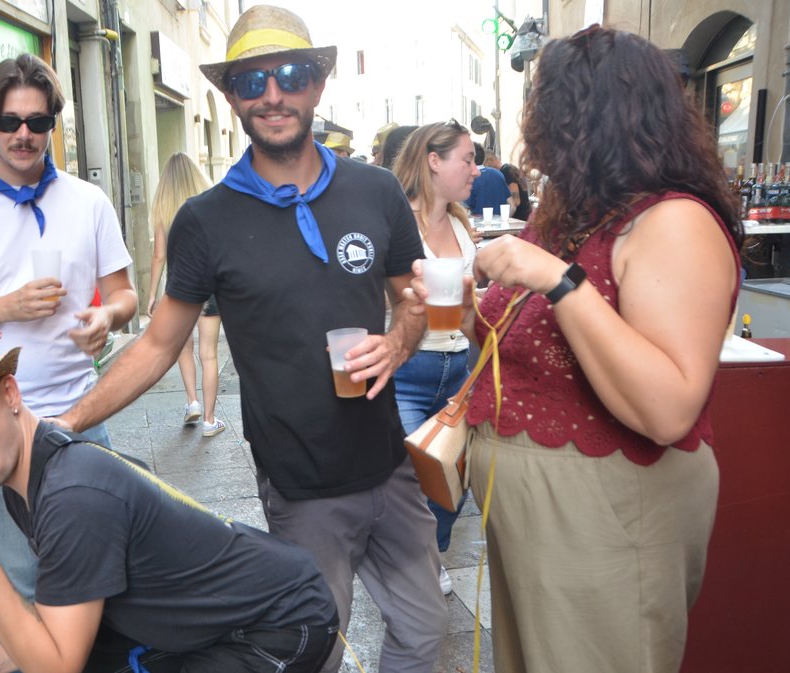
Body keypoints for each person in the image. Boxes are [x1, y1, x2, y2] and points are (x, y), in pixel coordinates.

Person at [59, 6, 447, 672]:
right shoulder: (204, 221)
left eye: (291, 74)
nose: (273, 94)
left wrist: (401, 341)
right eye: (252, 81)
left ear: (318, 85)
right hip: (301, 488)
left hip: (390, 465)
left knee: (426, 630)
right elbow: (156, 345)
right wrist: (67, 421)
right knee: (314, 649)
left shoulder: (377, 190)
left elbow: (412, 301)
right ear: (231, 95)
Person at [406, 25, 743, 672]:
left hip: (608, 516)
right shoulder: (575, 213)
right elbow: (537, 347)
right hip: (537, 516)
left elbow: (669, 406)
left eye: (547, 109)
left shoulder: (674, 221)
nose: (535, 136)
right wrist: (458, 309)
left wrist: (557, 280)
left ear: (591, 117)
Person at [0, 318, 339, 673]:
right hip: (212, 614)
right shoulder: (29, 470)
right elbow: (65, 608)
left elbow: (58, 666)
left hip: (277, 623)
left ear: (10, 393)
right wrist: (4, 656)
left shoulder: (71, 493)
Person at [0, 53, 137, 601]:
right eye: (10, 121)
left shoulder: (87, 201)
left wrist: (106, 316)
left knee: (106, 578)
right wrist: (2, 308)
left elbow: (126, 294)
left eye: (38, 122)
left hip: (81, 420)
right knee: (25, 586)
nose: (24, 134)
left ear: (51, 126)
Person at [390, 121, 480, 596]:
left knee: (453, 480)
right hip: (410, 370)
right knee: (412, 481)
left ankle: (434, 555)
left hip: (458, 368)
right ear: (434, 161)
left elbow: (470, 296)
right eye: (466, 158)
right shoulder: (397, 220)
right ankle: (414, 565)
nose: (474, 168)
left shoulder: (464, 224)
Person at [147, 153, 226, 436]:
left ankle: (191, 401)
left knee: (183, 348)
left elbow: (158, 256)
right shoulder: (208, 202)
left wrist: (153, 294)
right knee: (209, 354)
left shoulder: (163, 206)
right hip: (209, 286)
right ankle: (209, 419)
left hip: (178, 287)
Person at [464, 141, 511, 216]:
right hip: (500, 224)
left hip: (478, 224)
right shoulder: (498, 174)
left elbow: (465, 209)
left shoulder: (469, 178)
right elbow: (511, 204)